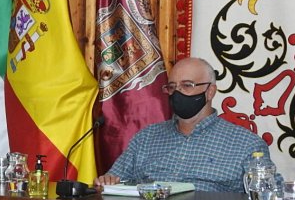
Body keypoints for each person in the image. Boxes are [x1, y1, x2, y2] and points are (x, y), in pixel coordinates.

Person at [94, 57, 272, 192]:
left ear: (210, 92)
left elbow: (269, 197)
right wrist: (107, 182)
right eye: (172, 87)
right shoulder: (146, 138)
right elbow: (113, 182)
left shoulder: (247, 145)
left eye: (187, 85)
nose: (177, 93)